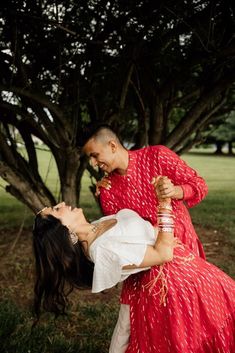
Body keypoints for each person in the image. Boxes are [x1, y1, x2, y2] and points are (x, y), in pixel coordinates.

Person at [32, 196, 235, 353]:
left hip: (191, 273)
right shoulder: (103, 250)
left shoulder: (97, 226)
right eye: (57, 210)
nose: (62, 203)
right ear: (65, 231)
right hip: (178, 286)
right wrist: (164, 207)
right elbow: (163, 254)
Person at [82, 124, 208, 313]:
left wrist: (176, 191)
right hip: (147, 263)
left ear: (113, 146)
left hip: (181, 246)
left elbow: (199, 185)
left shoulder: (158, 156)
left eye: (95, 155)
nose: (92, 163)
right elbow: (119, 237)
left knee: (191, 310)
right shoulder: (108, 190)